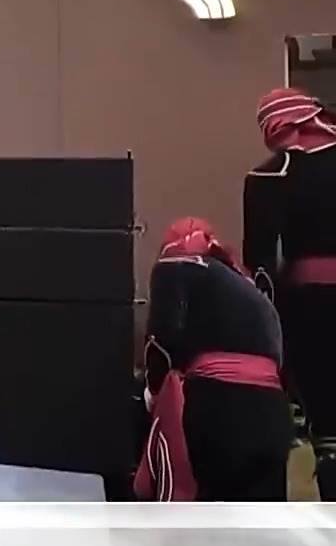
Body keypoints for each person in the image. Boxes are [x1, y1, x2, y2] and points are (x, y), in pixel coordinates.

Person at [136, 217, 292, 501]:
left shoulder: (175, 263)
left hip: (220, 406)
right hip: (274, 413)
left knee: (209, 516)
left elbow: (160, 344)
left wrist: (153, 394)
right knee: (263, 521)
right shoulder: (243, 281)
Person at [244, 86, 336, 498]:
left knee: (326, 416)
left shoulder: (271, 174)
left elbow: (261, 264)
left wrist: (270, 325)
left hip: (310, 307)